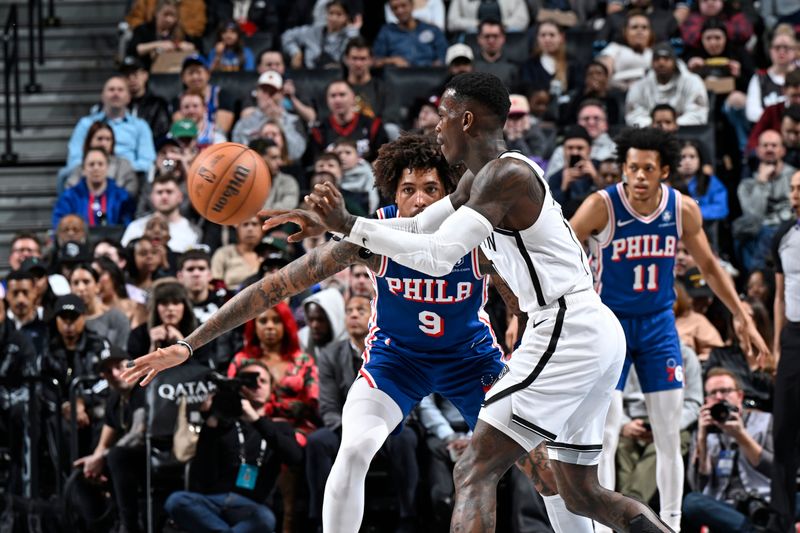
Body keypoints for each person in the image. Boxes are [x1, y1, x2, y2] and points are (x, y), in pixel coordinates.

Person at [254, 73, 680, 532]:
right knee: (580, 492)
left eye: (444, 116)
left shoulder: (506, 174)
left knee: (475, 468)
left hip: (564, 325)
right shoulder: (482, 179)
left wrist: (349, 224)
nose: (438, 127)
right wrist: (341, 225)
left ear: (467, 118)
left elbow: (438, 257)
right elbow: (420, 230)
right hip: (587, 328)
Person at [122, 129, 542, 531]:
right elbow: (273, 288)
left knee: (542, 468)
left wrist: (519, 321)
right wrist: (188, 344)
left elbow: (518, 291)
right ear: (393, 196)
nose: (418, 200)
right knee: (355, 448)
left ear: (447, 193)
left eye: (431, 189)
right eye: (408, 190)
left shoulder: (473, 235)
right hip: (396, 361)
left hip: (470, 360)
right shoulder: (375, 235)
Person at [570, 126, 770, 530]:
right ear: (622, 170)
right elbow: (560, 251)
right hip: (612, 325)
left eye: (648, 168)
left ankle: (673, 524)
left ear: (663, 170)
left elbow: (711, 267)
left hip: (660, 325)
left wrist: (741, 314)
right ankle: (608, 525)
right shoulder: (601, 205)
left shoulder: (681, 209)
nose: (639, 177)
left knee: (667, 434)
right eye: (631, 168)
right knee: (607, 434)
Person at [306, 292, 420, 531]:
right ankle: (320, 520)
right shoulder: (330, 354)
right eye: (349, 311)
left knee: (407, 439)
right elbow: (327, 406)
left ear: (375, 316)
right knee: (317, 442)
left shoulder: (395, 349)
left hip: (389, 426)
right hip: (343, 427)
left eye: (360, 310)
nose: (354, 315)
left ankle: (408, 517)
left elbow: (410, 396)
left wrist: (374, 435)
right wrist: (357, 436)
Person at [164, 361, 303, 533]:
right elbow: (201, 476)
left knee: (266, 519)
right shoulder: (225, 425)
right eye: (250, 380)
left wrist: (256, 420)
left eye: (263, 381)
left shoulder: (278, 428)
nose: (257, 385)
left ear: (271, 389)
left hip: (253, 508)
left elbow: (295, 457)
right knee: (176, 501)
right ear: (240, 386)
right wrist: (211, 422)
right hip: (214, 504)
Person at [682, 368, 775, 533]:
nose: (718, 397)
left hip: (766, 500)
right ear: (706, 400)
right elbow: (697, 486)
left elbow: (776, 472)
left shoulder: (765, 421)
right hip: (725, 506)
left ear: (740, 396)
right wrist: (702, 439)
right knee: (691, 502)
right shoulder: (703, 431)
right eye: (713, 393)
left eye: (725, 391)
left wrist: (741, 436)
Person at [770, 169, 800, 533]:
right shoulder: (782, 237)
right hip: (793, 337)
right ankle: (781, 520)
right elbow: (778, 296)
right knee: (783, 433)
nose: (795, 194)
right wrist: (777, 347)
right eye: (792, 189)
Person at [62, 77, 156, 178]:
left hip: (128, 179)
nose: (116, 93)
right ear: (102, 96)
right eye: (111, 89)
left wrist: (118, 171)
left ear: (129, 97)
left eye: (120, 90)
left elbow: (147, 162)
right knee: (63, 174)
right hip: (91, 178)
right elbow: (74, 160)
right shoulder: (86, 124)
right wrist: (97, 170)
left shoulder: (140, 126)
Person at [625, 42, 709, 127]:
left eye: (666, 59)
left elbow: (699, 116)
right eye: (657, 59)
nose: (661, 63)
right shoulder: (640, 85)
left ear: (675, 62)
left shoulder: (692, 81)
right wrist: (654, 125)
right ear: (652, 63)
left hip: (684, 134)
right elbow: (633, 117)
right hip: (649, 135)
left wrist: (673, 125)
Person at [52, 148, 137, 230]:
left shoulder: (122, 197)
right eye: (91, 164)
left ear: (107, 168)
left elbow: (128, 227)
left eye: (100, 164)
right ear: (83, 169)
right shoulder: (69, 197)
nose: (96, 168)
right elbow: (59, 226)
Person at [122, 173, 202, 252]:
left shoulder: (193, 231)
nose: (164, 197)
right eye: (159, 192)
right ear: (151, 198)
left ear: (180, 197)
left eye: (169, 192)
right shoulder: (136, 227)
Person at [64, 120, 139, 196]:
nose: (104, 143)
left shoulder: (124, 165)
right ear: (90, 141)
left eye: (108, 139)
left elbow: (130, 194)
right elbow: (70, 191)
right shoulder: (80, 167)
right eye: (100, 139)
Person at [280, 0, 360, 70]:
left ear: (347, 17)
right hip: (310, 75)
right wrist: (296, 52)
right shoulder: (312, 32)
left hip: (337, 78)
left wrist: (352, 30)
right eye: (331, 13)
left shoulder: (349, 35)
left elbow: (353, 52)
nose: (334, 18)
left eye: (339, 14)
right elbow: (286, 36)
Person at [69, 263, 131, 351]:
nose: (81, 288)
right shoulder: (67, 321)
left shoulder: (117, 318)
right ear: (70, 288)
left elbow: (122, 352)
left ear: (97, 286)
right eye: (75, 283)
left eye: (86, 282)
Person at [373, 0, 448, 68]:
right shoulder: (387, 32)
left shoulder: (432, 30)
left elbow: (444, 55)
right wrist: (392, 60)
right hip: (400, 76)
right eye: (395, 8)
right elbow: (376, 61)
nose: (400, 11)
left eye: (403, 5)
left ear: (412, 5)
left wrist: (438, 64)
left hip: (430, 75)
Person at [210, 215, 264, 289]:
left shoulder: (269, 255)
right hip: (230, 298)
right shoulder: (224, 253)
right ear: (237, 229)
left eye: (254, 224)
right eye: (245, 224)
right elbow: (215, 283)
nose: (250, 229)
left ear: (262, 229)